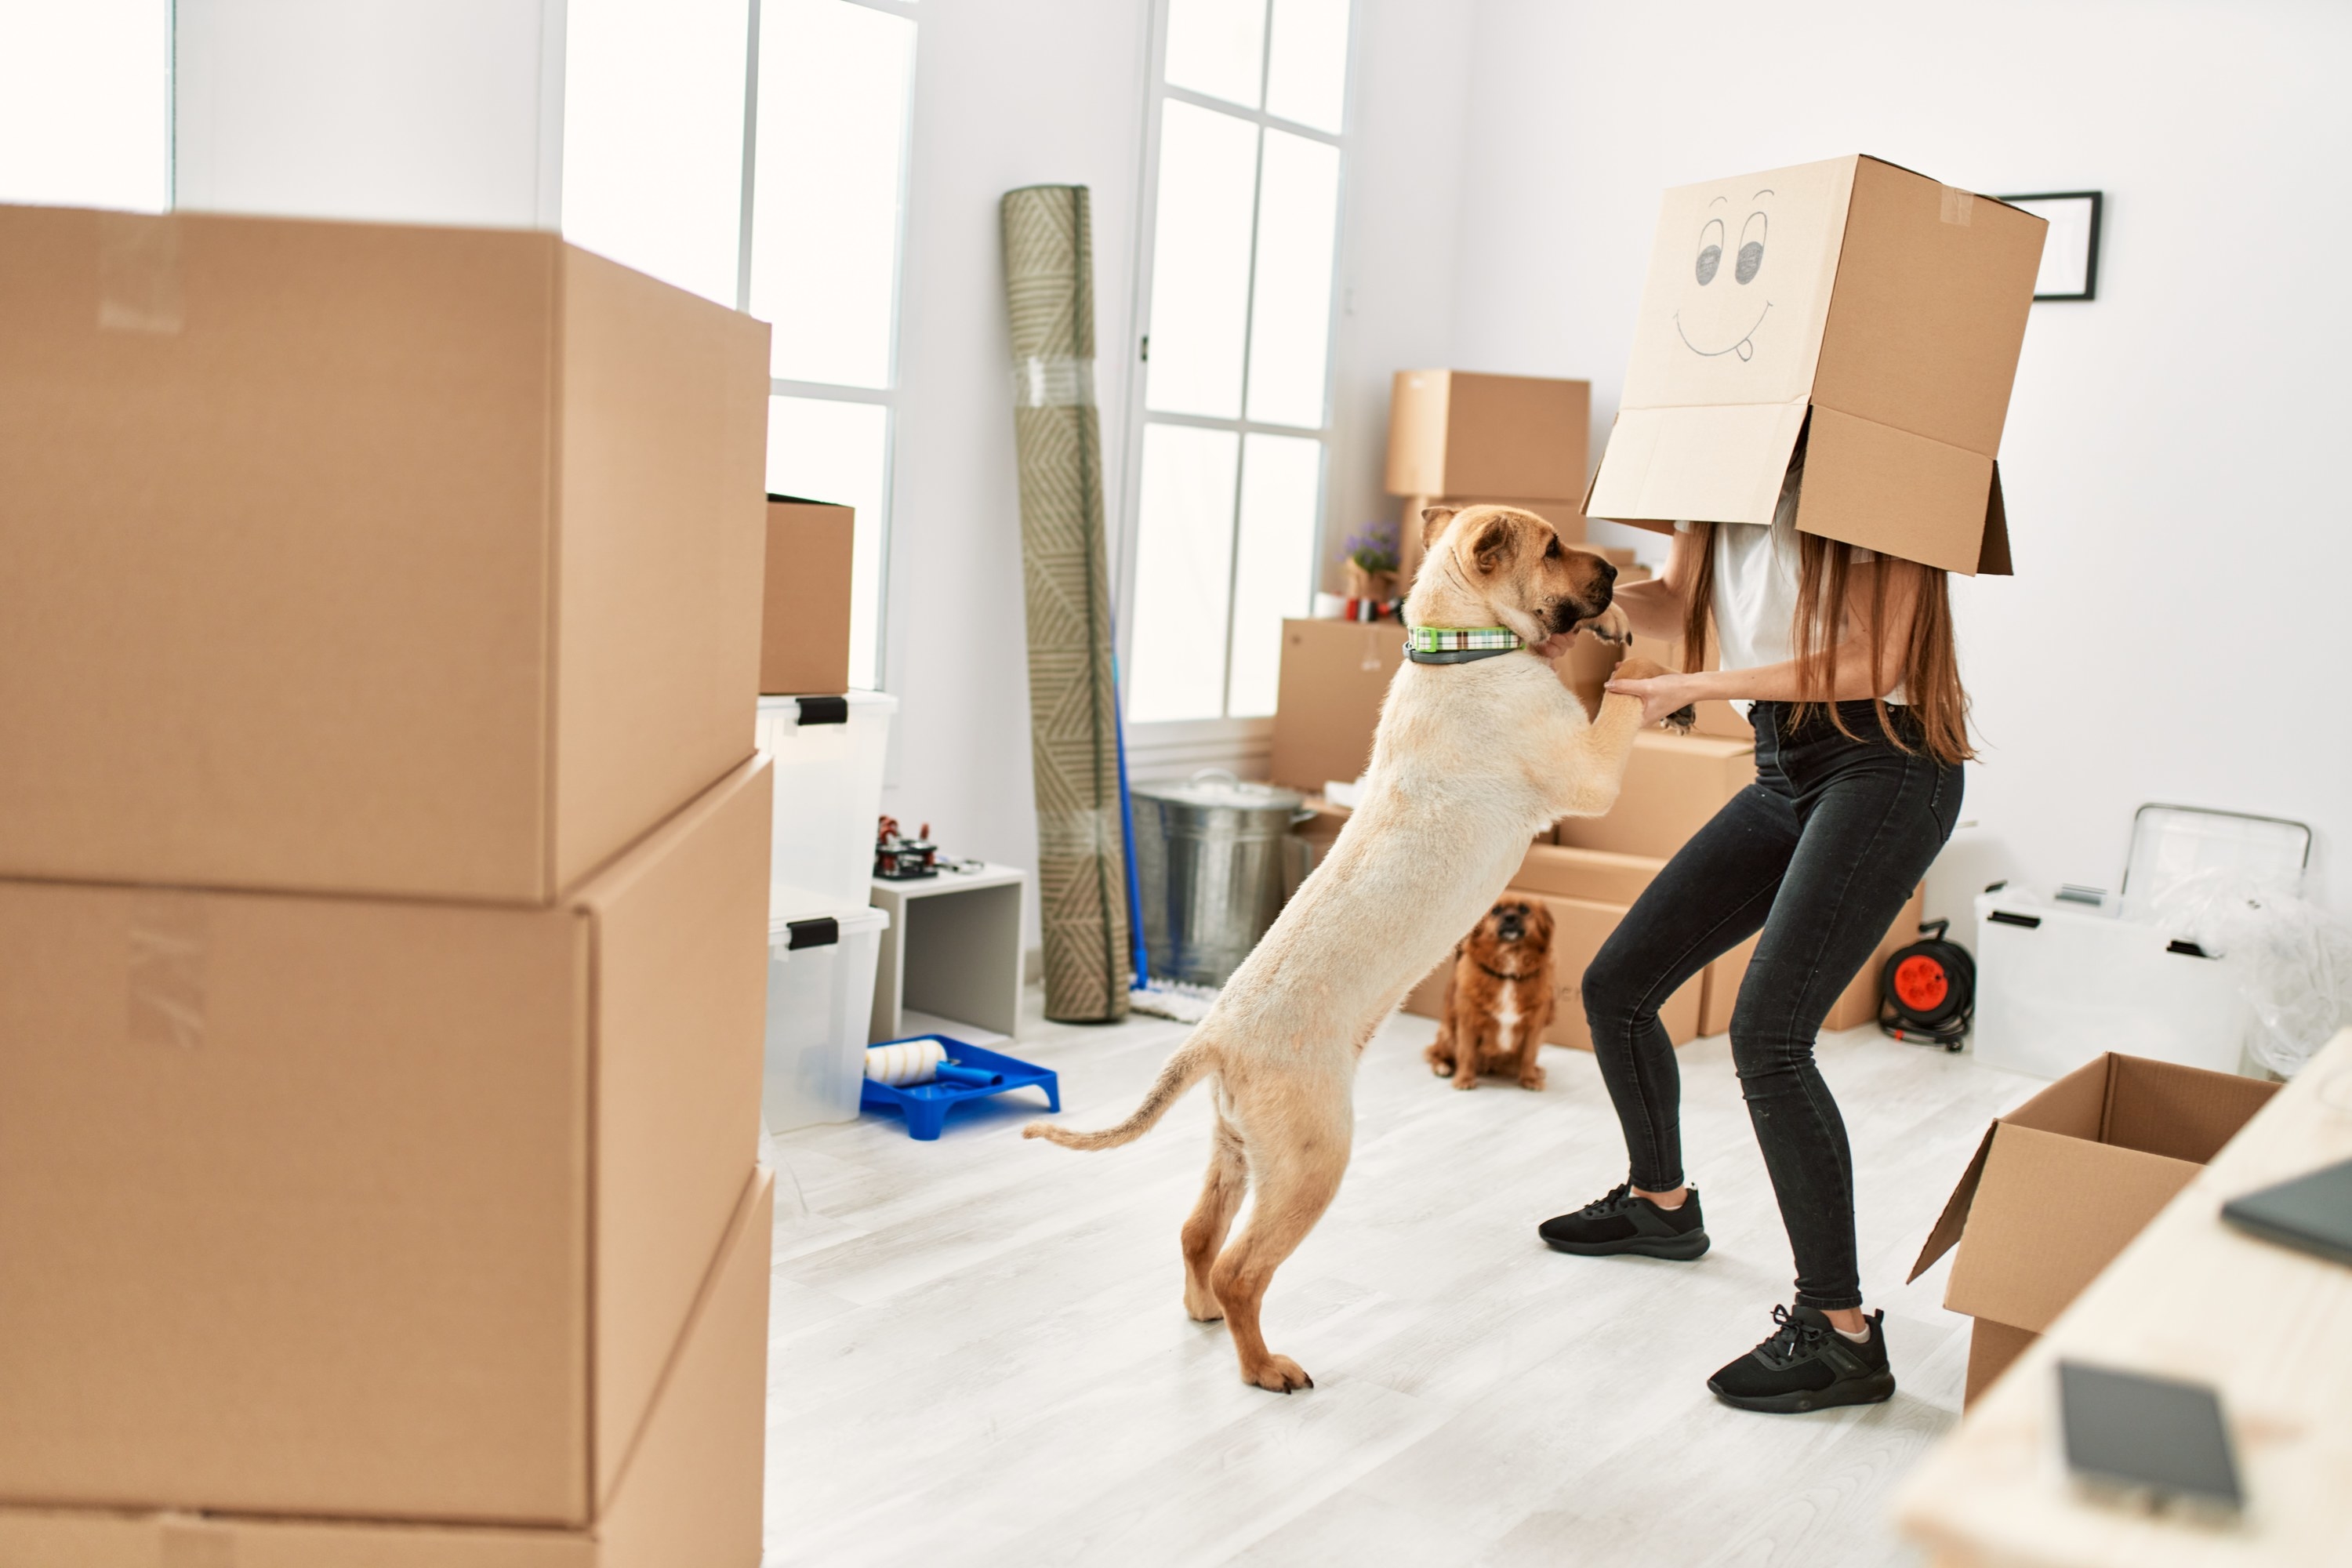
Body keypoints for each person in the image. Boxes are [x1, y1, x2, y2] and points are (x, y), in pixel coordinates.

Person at [1539, 448, 1970, 1414]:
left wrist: (1698, 684)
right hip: (1788, 767)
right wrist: (1561, 594)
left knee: (1769, 1032)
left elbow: (1879, 661)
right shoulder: (1721, 476)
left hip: (1886, 764)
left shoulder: (1887, 470)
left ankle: (1843, 1331)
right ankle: (1661, 1205)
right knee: (1620, 986)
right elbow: (1672, 607)